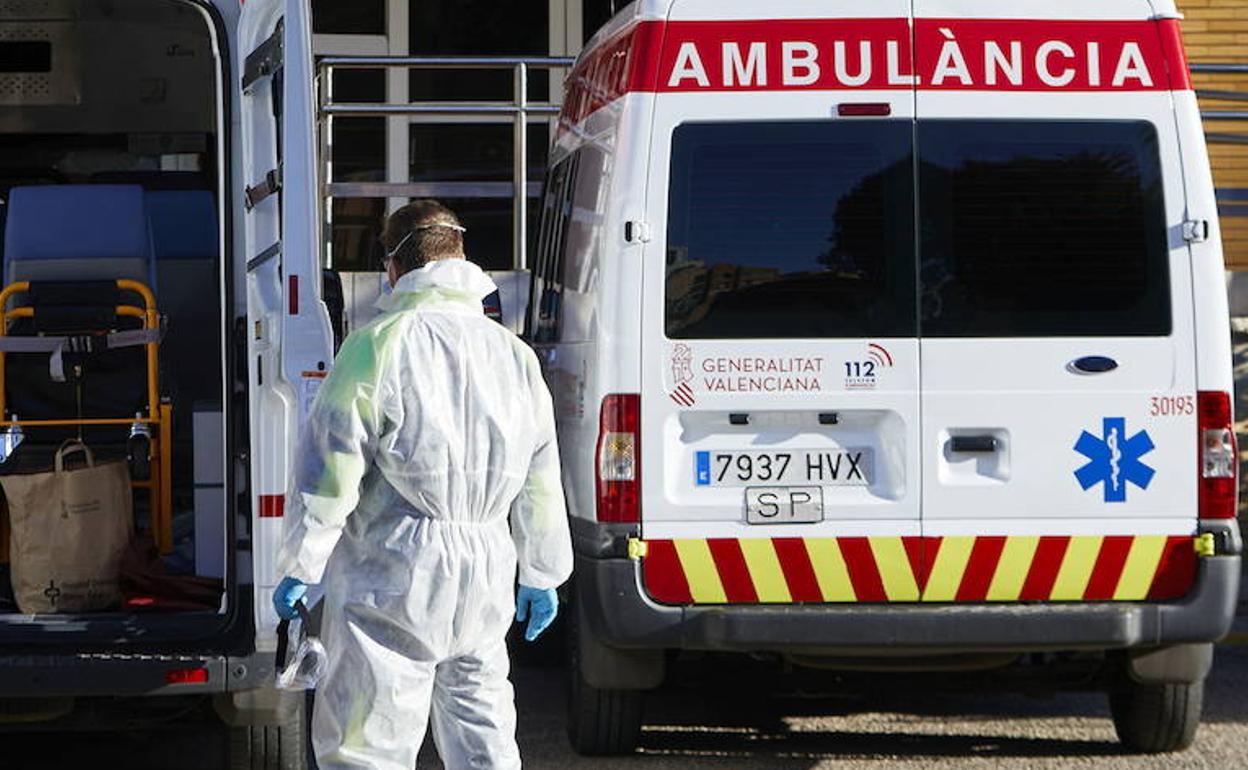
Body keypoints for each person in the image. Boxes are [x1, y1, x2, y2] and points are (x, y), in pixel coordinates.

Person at [271, 200, 573, 769]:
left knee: (368, 743)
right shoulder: (516, 356)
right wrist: (543, 572)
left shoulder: (377, 344)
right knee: (483, 733)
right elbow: (540, 473)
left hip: (394, 572)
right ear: (463, 259)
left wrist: (301, 564)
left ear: (393, 267)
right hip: (485, 573)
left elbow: (331, 468)